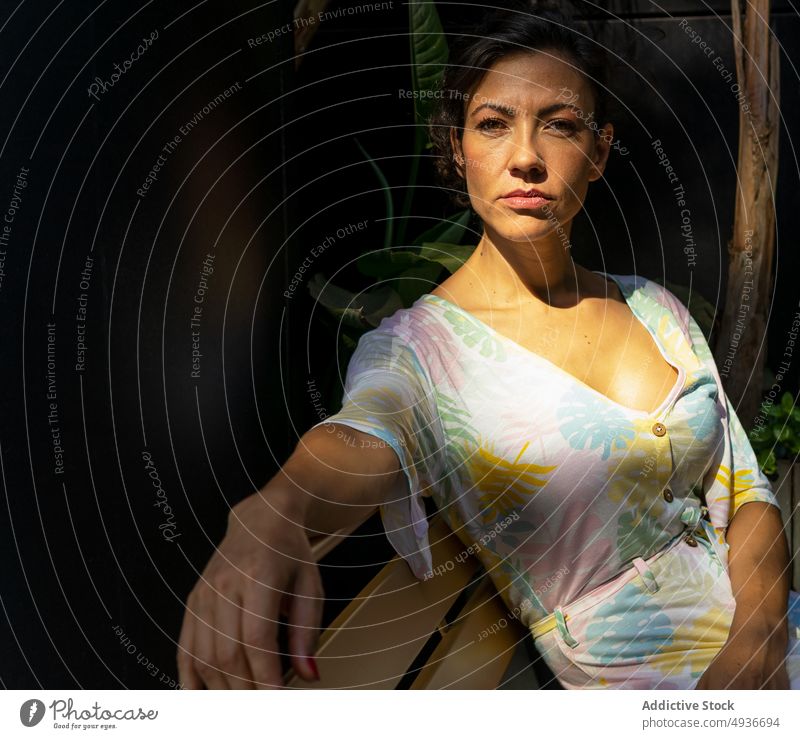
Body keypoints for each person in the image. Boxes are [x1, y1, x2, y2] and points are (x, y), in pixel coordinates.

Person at [176, 1, 800, 689]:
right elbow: (360, 435)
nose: (526, 157)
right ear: (456, 149)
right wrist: (281, 507)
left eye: (559, 125)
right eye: (493, 125)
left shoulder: (654, 309)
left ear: (596, 152)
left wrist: (757, 644)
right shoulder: (421, 354)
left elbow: (747, 494)